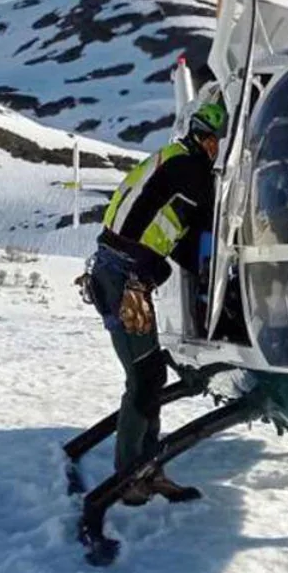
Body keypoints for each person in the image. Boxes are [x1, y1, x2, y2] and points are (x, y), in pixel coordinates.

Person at [85, 96, 227, 505]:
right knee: (144, 380)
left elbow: (174, 235)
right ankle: (131, 475)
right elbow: (204, 222)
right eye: (217, 141)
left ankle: (147, 468)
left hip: (122, 275)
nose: (218, 151)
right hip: (123, 279)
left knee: (149, 377)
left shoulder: (173, 160)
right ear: (204, 137)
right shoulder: (190, 170)